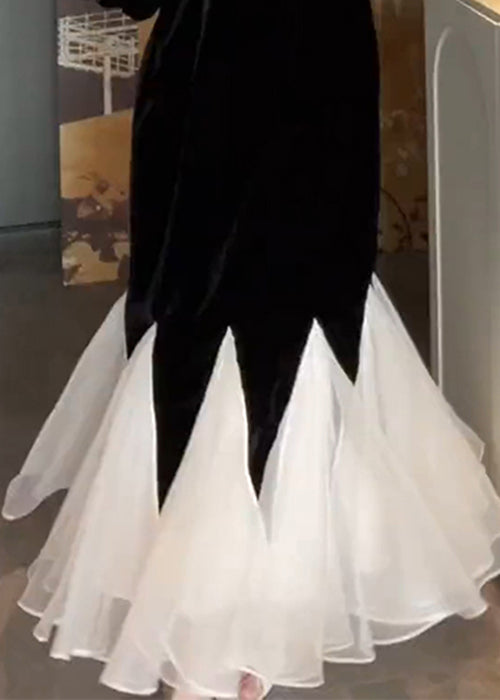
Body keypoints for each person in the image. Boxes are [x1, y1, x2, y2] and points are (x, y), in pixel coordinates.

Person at [4, 1, 500, 699]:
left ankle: (261, 597)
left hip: (296, 72)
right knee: (217, 313)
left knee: (288, 306)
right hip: (230, 77)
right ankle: (225, 596)